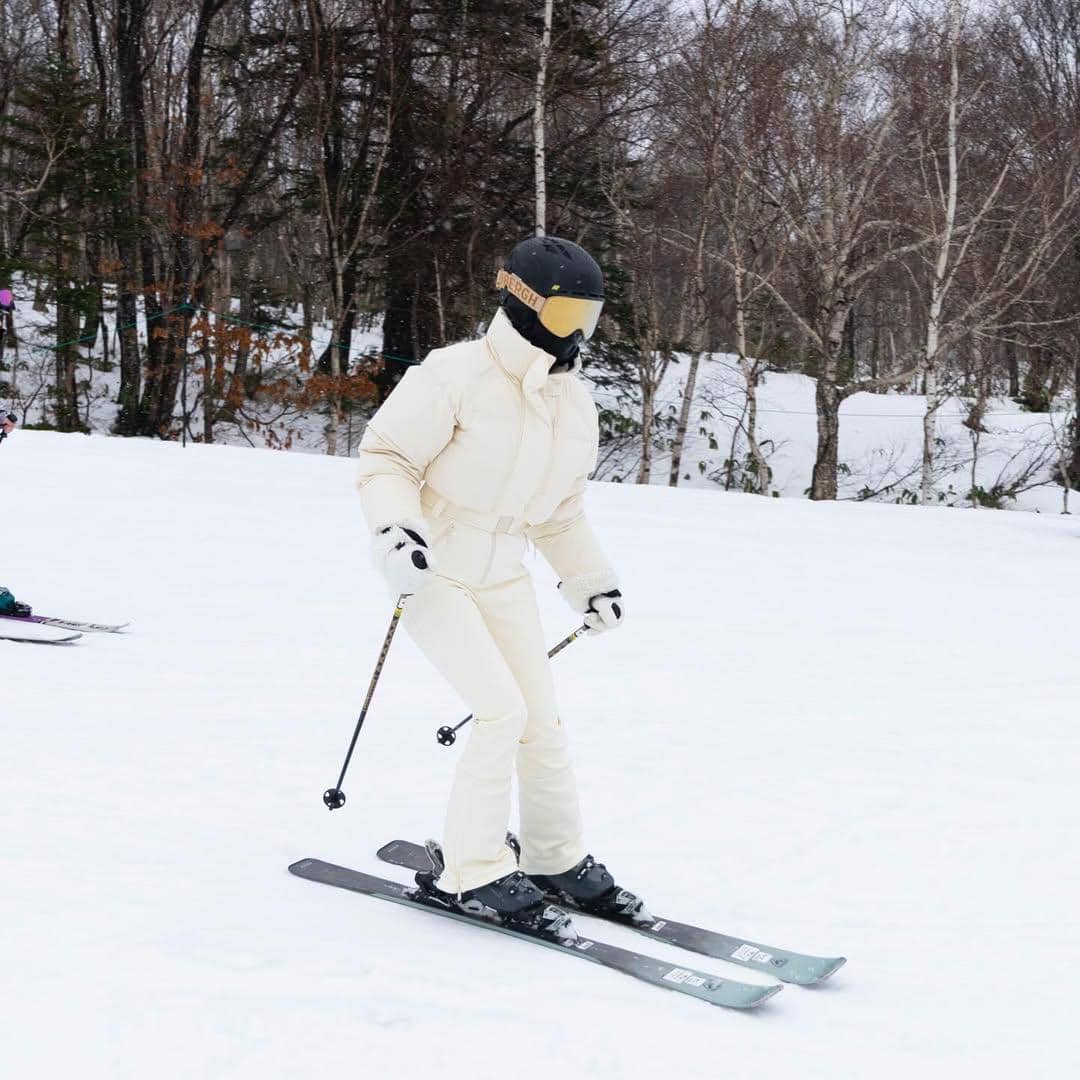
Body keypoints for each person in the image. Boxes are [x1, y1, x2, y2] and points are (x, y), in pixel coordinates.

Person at [356, 236, 637, 929]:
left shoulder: (572, 403)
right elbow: (386, 458)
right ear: (526, 302)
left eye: (588, 319)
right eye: (568, 315)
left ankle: (554, 858)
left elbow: (561, 510)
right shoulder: (453, 375)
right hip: (436, 570)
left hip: (504, 573)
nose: (577, 335)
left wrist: (589, 581)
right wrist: (396, 532)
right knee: (499, 714)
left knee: (541, 723)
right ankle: (471, 869)